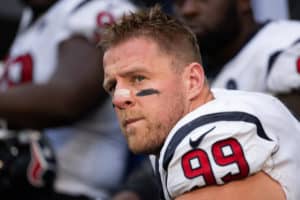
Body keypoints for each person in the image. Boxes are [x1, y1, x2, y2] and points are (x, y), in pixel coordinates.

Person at [100, 5, 300, 200]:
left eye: (138, 78)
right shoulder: (198, 112)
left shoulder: (212, 131)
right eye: (112, 86)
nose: (118, 98)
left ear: (192, 81)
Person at [0, 0, 137, 199]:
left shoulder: (98, 7)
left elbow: (66, 99)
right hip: (20, 177)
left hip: (71, 188)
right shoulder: (35, 19)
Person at [172, 0, 300, 118]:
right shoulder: (182, 69)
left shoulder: (289, 44)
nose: (188, 10)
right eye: (180, 1)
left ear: (243, 2)